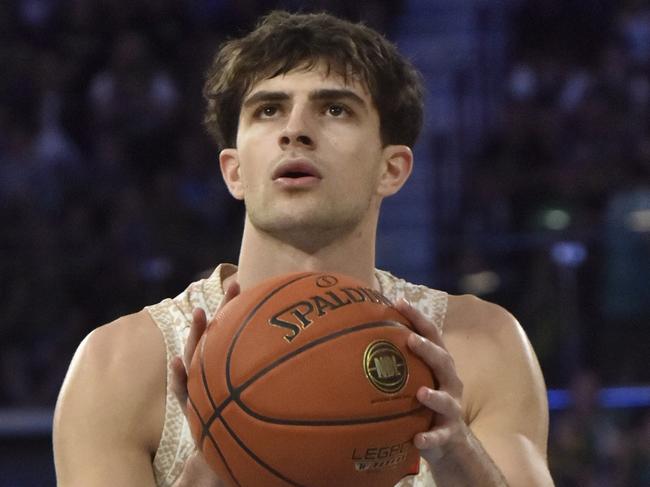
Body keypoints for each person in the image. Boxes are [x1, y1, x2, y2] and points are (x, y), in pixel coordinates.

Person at [53, 11, 553, 487]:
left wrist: (454, 452)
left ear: (392, 168)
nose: (295, 130)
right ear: (233, 170)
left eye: (335, 109)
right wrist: (217, 460)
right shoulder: (122, 364)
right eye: (268, 110)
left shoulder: (480, 345)